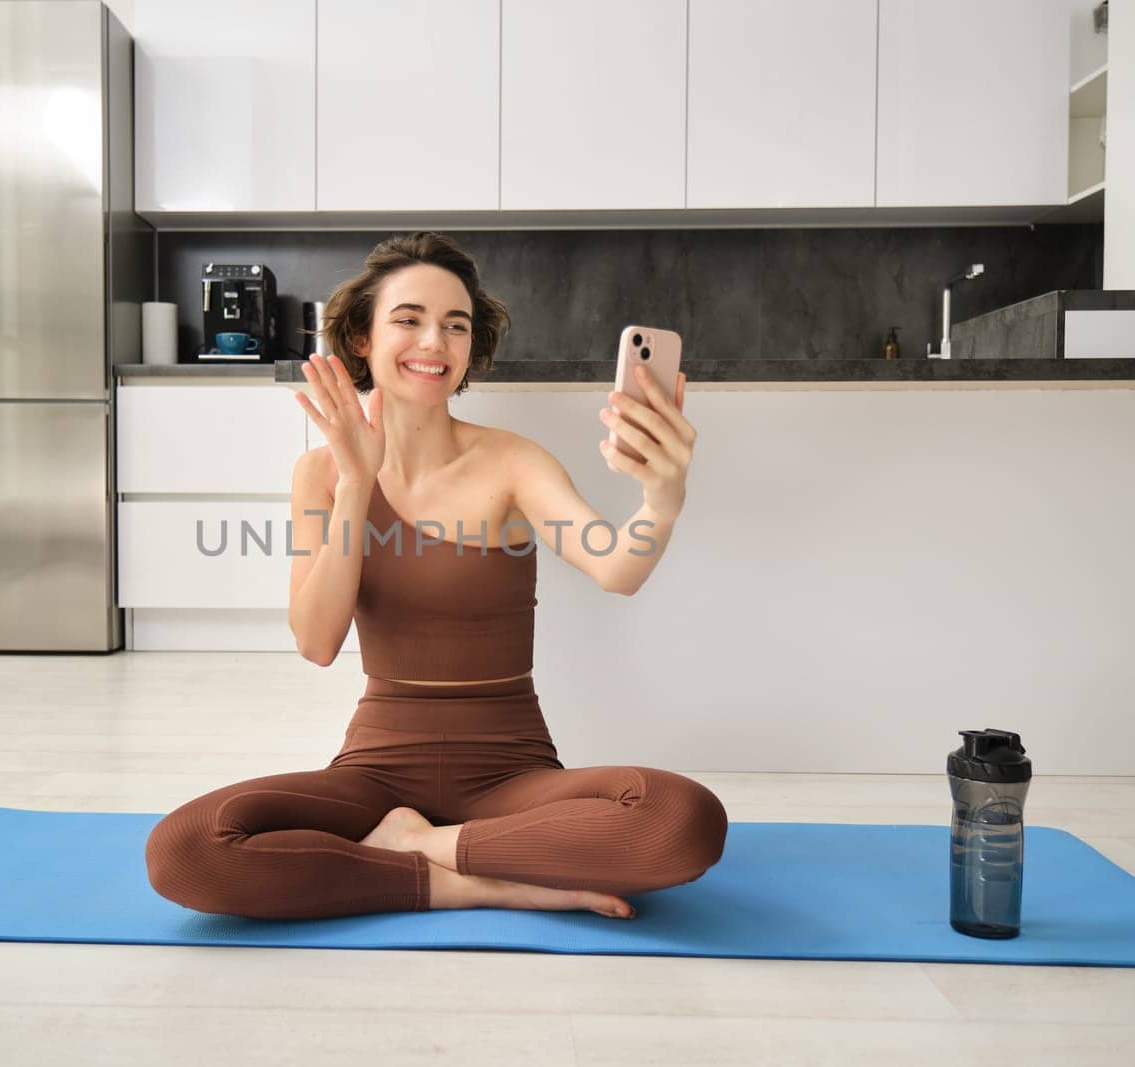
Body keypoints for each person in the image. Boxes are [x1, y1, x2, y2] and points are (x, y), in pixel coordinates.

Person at [145, 232, 727, 921]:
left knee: (680, 820)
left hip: (511, 773)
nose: (435, 341)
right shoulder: (321, 475)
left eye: (456, 325)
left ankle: (423, 847)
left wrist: (664, 498)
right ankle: (475, 879)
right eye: (409, 319)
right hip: (375, 770)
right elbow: (317, 640)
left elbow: (616, 566)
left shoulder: (513, 463)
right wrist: (358, 481)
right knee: (186, 848)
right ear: (361, 337)